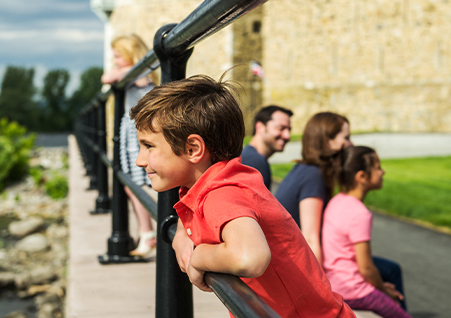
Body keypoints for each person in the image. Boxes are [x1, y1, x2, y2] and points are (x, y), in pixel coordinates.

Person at [129, 75, 354, 318]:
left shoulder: (223, 193)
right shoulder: (216, 181)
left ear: (193, 149)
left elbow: (250, 258)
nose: (140, 160)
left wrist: (199, 256)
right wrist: (183, 233)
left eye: (149, 146)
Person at [322, 146, 411, 318]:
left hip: (336, 284)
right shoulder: (360, 213)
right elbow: (367, 268)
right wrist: (385, 290)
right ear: (362, 177)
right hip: (354, 291)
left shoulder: (336, 201)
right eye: (378, 167)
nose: (382, 172)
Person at [102, 34, 158, 257]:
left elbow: (109, 78)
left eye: (118, 56)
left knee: (136, 183)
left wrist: (125, 71)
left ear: (130, 54)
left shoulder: (142, 74)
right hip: (131, 130)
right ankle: (146, 232)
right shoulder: (137, 72)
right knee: (130, 183)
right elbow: (108, 77)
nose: (115, 61)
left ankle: (149, 233)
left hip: (138, 131)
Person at [274, 112, 352, 264]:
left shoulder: (303, 168)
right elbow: (309, 238)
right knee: (390, 271)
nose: (351, 144)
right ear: (328, 141)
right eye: (346, 138)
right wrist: (321, 286)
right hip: (292, 263)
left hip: (287, 259)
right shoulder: (314, 176)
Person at [241, 105, 293, 191]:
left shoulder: (247, 156)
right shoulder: (256, 163)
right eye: (281, 128)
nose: (287, 136)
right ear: (260, 127)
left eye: (289, 130)